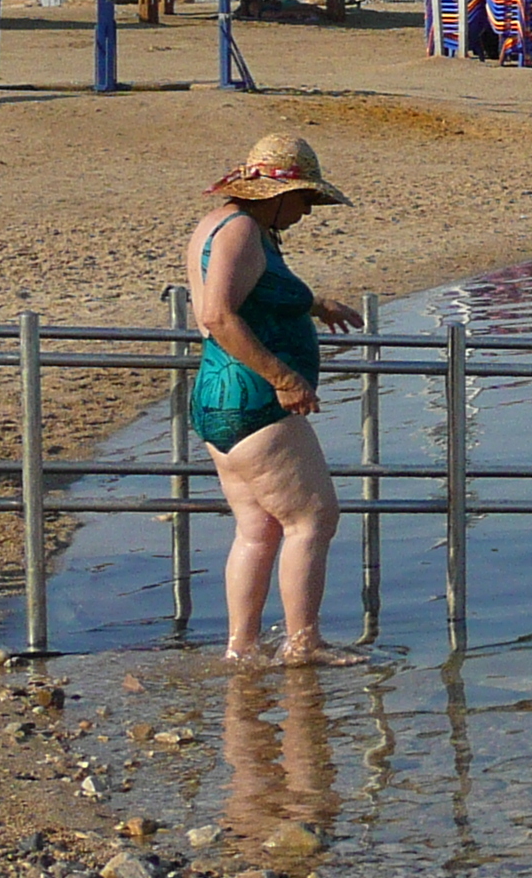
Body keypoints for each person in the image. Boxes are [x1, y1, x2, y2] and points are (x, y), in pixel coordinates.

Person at [188, 132, 366, 664]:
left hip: (220, 397)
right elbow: (217, 316)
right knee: (313, 518)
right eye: (306, 198)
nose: (308, 211)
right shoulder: (242, 230)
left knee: (259, 528)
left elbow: (255, 291)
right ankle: (303, 643)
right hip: (252, 398)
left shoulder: (224, 225)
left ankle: (242, 647)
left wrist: (314, 304)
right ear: (277, 194)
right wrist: (285, 378)